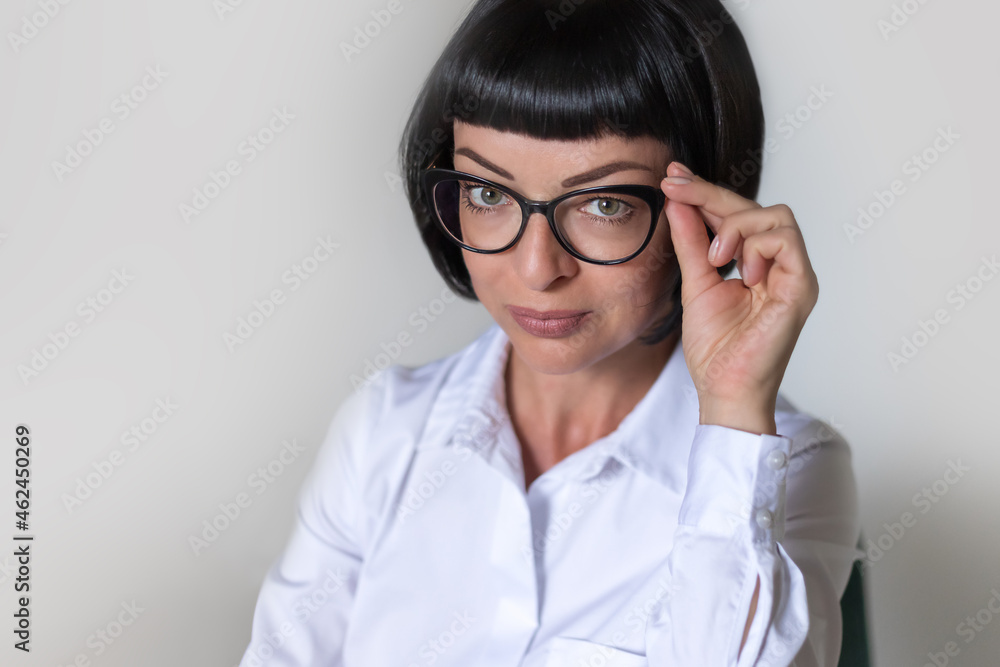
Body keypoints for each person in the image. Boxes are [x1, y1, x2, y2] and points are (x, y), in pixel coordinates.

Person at [237, 0, 862, 665]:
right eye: (487, 193)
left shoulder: (792, 469)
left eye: (604, 204)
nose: (537, 268)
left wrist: (735, 404)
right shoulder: (384, 432)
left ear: (707, 208)